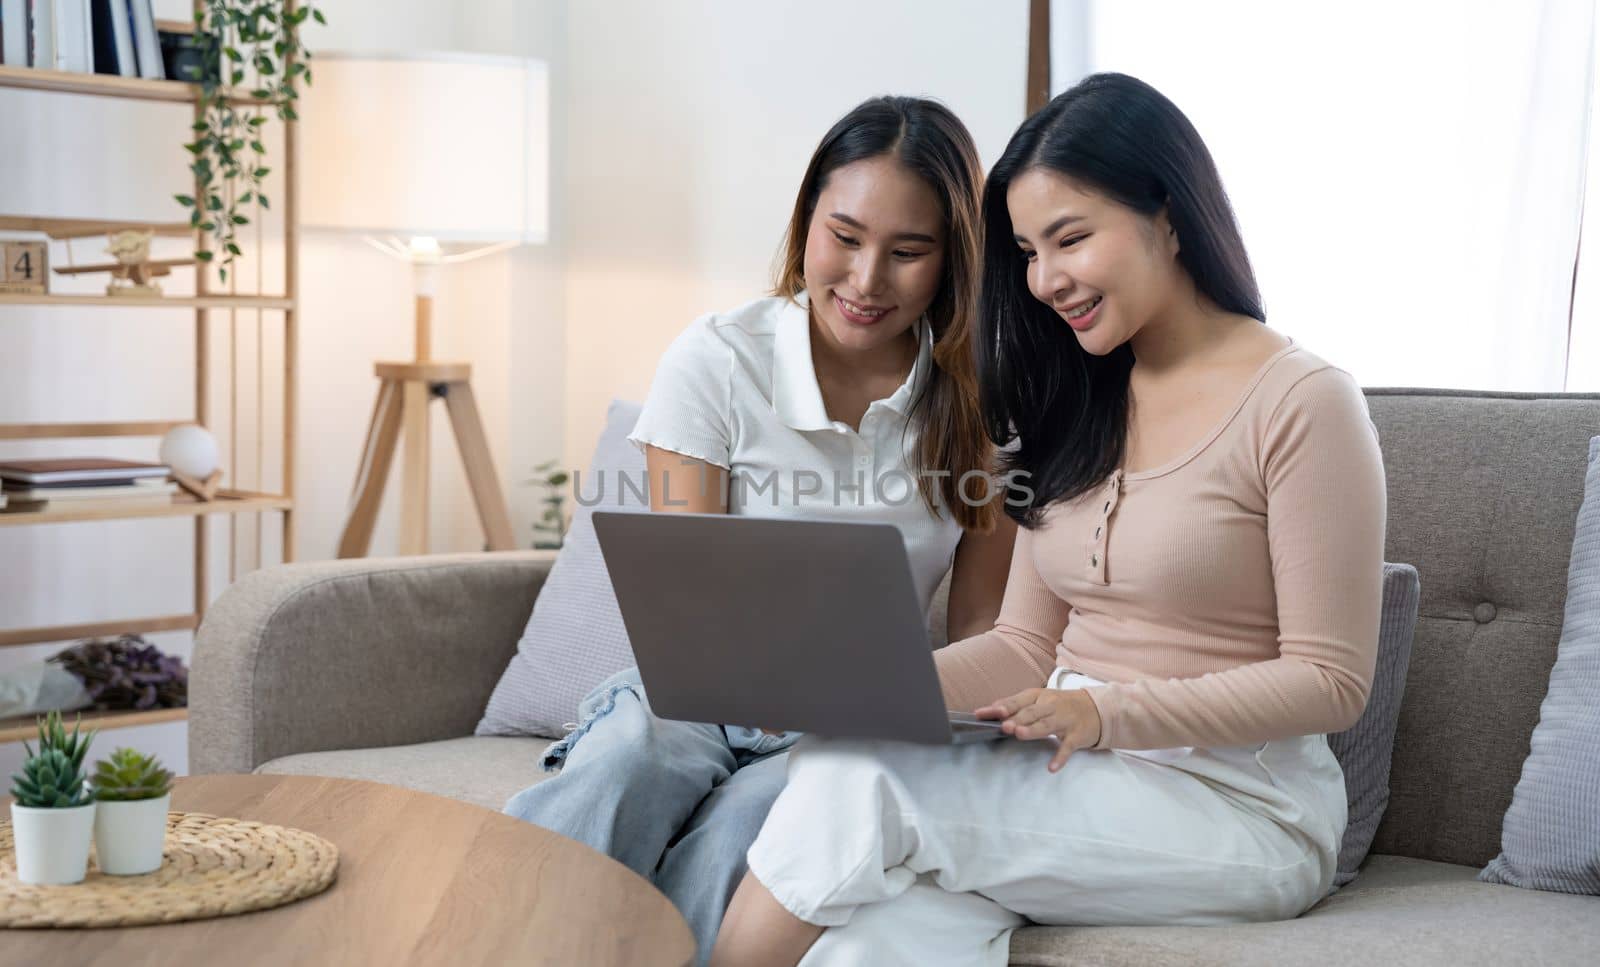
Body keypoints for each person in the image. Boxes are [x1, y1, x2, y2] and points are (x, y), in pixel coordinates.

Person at [711, 72, 1387, 967]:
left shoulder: (1303, 402)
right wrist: (864, 687)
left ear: (1170, 216)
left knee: (855, 781)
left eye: (1070, 239)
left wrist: (1104, 712)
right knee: (873, 936)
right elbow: (1026, 644)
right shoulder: (1075, 395)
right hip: (1072, 777)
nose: (1044, 279)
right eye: (1028, 251)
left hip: (1238, 808)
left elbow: (1331, 680)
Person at [502, 95, 1017, 965]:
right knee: (633, 755)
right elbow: (687, 591)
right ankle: (494, 939)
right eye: (843, 237)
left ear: (953, 259)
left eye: (908, 252)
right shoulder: (717, 359)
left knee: (757, 816)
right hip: (697, 695)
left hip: (851, 727)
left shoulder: (982, 408)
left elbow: (981, 631)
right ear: (806, 220)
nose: (865, 280)